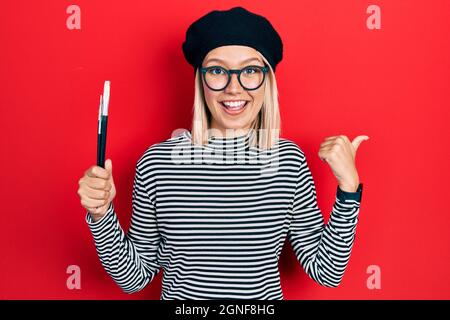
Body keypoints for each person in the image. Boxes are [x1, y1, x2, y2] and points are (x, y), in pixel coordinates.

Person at [77, 6, 367, 300]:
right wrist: (101, 216)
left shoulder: (288, 162)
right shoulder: (157, 163)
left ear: (267, 80)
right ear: (201, 80)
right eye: (217, 71)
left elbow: (327, 271)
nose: (233, 87)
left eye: (250, 70)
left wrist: (348, 189)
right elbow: (134, 279)